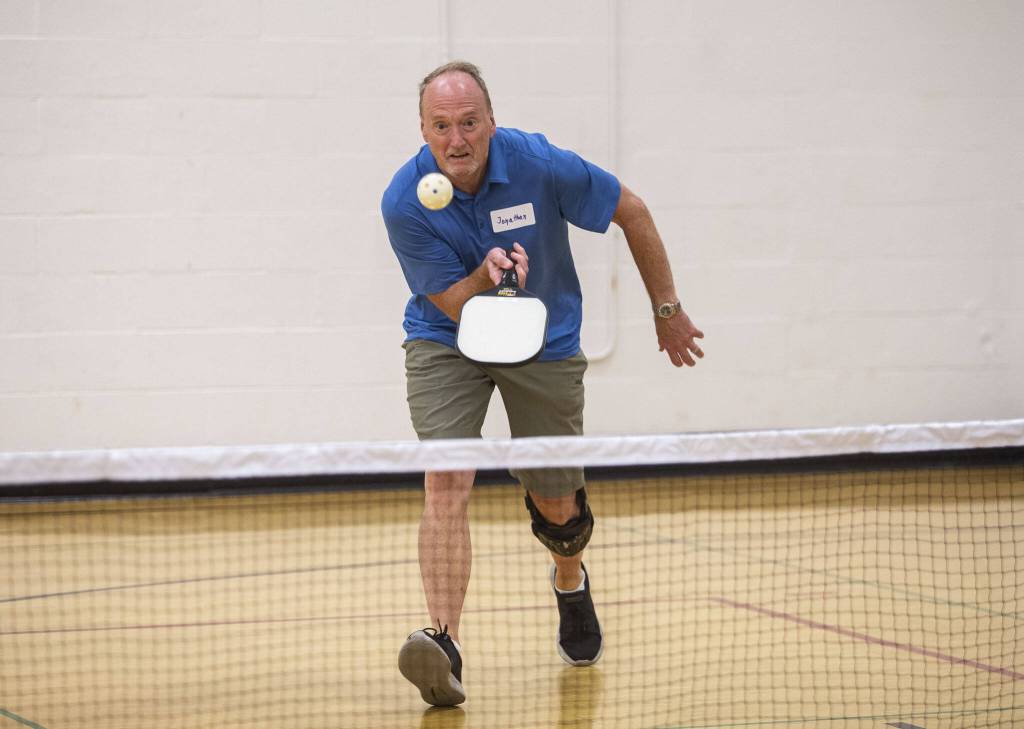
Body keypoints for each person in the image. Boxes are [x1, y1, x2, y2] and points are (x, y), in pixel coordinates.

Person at [381, 61, 704, 707]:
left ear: (491, 122)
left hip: (543, 336)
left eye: (469, 122)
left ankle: (568, 577)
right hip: (449, 338)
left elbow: (632, 211)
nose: (457, 139)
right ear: (422, 130)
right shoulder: (403, 198)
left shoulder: (539, 164)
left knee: (559, 503)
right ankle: (444, 642)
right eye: (441, 126)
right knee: (448, 473)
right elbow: (450, 301)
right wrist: (488, 275)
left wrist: (666, 310)